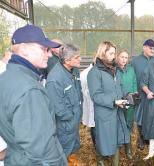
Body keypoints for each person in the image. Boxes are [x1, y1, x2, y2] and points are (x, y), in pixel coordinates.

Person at [0, 24, 67, 165]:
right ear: (24, 49)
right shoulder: (29, 89)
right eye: (44, 49)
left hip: (17, 158)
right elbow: (42, 151)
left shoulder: (5, 78)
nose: (49, 54)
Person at [87, 41, 130, 166]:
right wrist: (113, 101)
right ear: (103, 53)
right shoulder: (95, 72)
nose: (113, 56)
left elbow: (119, 88)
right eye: (111, 53)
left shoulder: (114, 70)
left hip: (117, 111)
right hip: (105, 113)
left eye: (114, 53)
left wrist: (126, 97)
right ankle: (100, 161)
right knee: (104, 141)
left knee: (116, 140)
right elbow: (96, 95)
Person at [46, 43, 83, 165]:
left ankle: (72, 161)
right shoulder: (55, 79)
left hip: (74, 122)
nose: (80, 59)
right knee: (63, 152)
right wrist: (71, 117)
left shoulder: (74, 71)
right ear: (67, 60)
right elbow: (58, 108)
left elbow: (78, 92)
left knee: (73, 148)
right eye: (77, 57)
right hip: (65, 126)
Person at [131, 39, 154, 150]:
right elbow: (131, 76)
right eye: (150, 48)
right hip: (140, 94)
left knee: (151, 116)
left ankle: (148, 137)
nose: (153, 50)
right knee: (140, 117)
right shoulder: (135, 61)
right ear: (144, 47)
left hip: (153, 94)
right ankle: (140, 139)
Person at [116, 49, 137, 160]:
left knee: (128, 123)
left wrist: (134, 94)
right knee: (119, 123)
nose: (124, 59)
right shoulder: (114, 70)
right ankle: (118, 145)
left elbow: (134, 83)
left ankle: (127, 148)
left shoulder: (131, 70)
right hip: (119, 102)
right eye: (122, 57)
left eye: (126, 57)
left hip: (130, 101)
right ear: (117, 57)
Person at [80, 54, 96, 146]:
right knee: (94, 126)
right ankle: (96, 146)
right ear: (93, 58)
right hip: (90, 104)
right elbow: (82, 90)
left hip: (101, 105)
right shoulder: (84, 73)